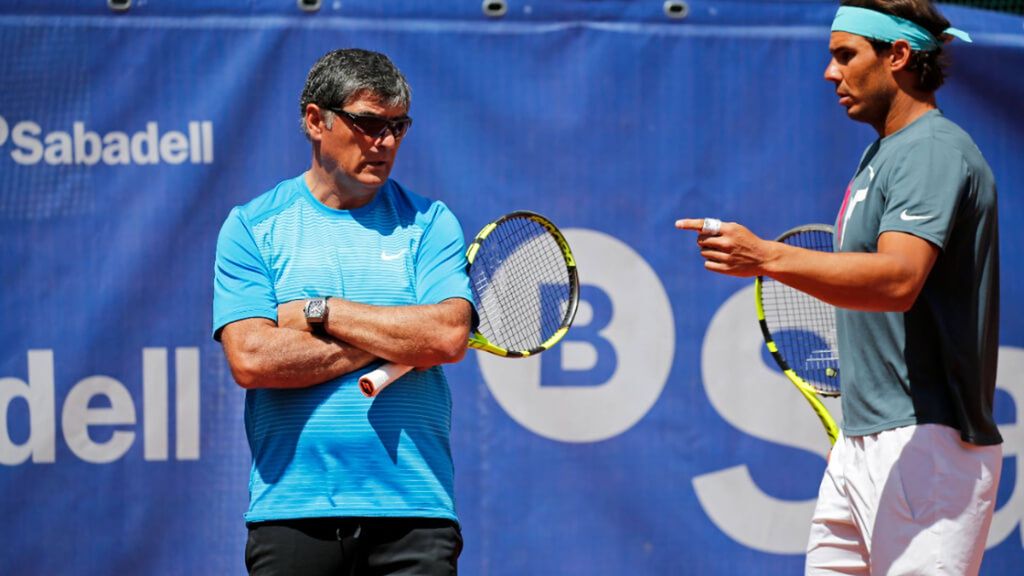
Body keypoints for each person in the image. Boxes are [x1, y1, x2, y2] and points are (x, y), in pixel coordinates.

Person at [676, 1, 1001, 573]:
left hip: (926, 444)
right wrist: (858, 436)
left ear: (898, 56)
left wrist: (765, 256)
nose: (831, 73)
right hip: (863, 441)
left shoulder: (933, 150)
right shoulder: (882, 155)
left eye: (845, 56)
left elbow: (899, 279)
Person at [212, 48, 475, 575]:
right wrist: (397, 331)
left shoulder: (431, 222)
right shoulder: (252, 227)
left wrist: (321, 310)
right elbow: (252, 360)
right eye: (369, 124)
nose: (386, 142)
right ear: (316, 121)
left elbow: (446, 338)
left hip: (414, 515)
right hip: (292, 513)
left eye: (398, 126)